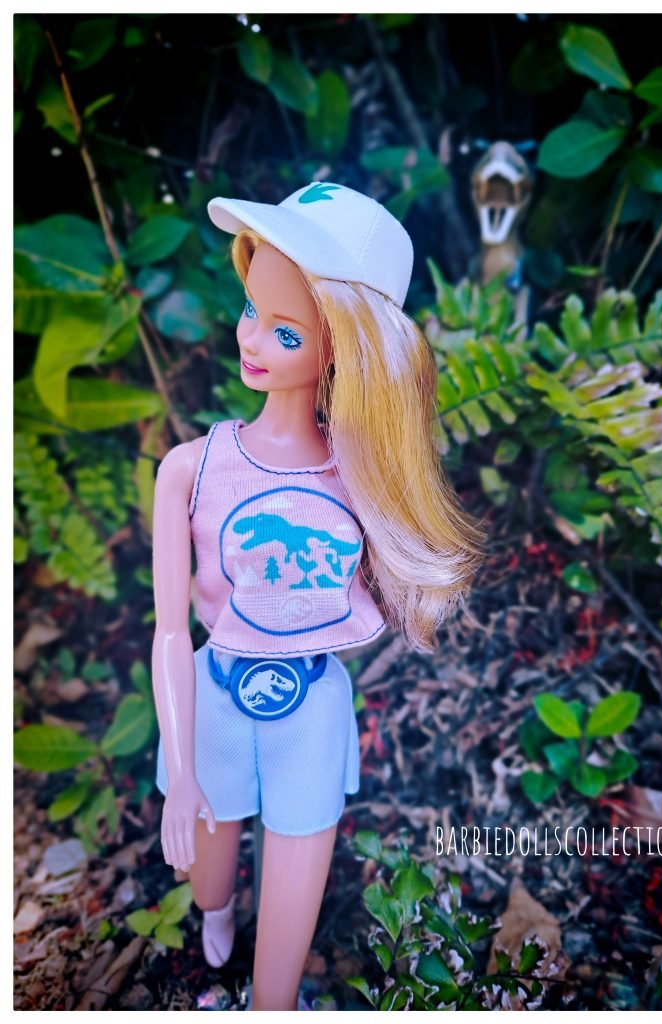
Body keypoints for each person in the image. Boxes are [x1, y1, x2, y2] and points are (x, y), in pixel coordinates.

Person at [152, 181, 486, 1010]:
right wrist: (181, 770)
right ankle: (216, 912)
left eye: (287, 331)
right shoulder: (192, 468)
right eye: (251, 312)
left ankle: (273, 1006)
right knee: (209, 877)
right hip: (216, 695)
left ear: (344, 350)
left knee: (298, 870)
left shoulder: (363, 476)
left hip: (309, 706)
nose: (253, 340)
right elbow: (169, 633)